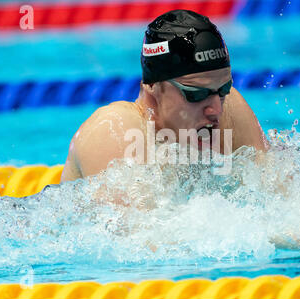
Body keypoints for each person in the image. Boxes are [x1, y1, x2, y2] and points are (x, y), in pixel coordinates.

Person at [61, 9, 269, 182]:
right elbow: (139, 231)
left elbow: (279, 195)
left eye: (222, 90)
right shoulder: (113, 129)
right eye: (196, 94)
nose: (216, 110)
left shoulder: (230, 108)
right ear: (153, 88)